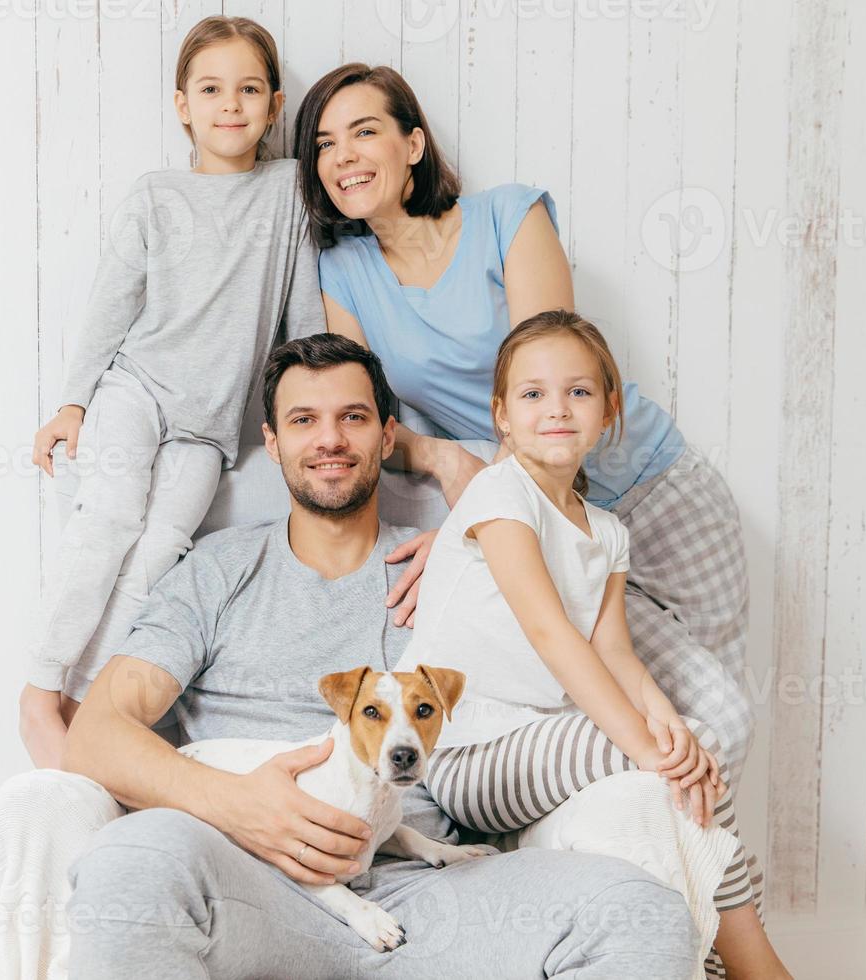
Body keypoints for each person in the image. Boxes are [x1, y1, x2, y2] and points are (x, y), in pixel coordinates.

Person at [50, 334, 700, 978]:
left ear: (388, 438)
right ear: (273, 443)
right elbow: (95, 737)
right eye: (304, 420)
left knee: (639, 913)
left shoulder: (458, 561)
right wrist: (237, 805)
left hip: (429, 888)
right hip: (250, 880)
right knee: (130, 859)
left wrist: (454, 522)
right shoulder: (216, 573)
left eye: (353, 417)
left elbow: (565, 623)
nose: (329, 439)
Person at [290, 62, 760, 920]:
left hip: (648, 490)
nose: (342, 156)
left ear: (414, 141)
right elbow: (371, 419)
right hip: (549, 520)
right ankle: (650, 917)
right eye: (323, 143)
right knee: (688, 725)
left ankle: (700, 930)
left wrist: (486, 510)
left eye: (363, 130)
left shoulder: (511, 215)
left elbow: (548, 373)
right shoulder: (346, 271)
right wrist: (451, 477)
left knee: (708, 723)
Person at [395, 310, 791, 978]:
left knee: (693, 753)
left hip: (538, 738)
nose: (556, 409)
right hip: (467, 752)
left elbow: (615, 652)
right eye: (533, 394)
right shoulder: (500, 496)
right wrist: (647, 747)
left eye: (578, 392)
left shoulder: (606, 530)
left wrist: (667, 725)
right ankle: (760, 968)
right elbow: (550, 634)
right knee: (677, 764)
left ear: (609, 411)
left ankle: (716, 967)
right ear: (501, 416)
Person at [18, 16, 326, 769]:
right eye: (211, 89)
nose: (231, 104)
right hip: (137, 389)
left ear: (275, 104)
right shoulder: (156, 195)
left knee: (161, 552)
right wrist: (73, 403)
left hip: (209, 424)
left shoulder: (288, 194)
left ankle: (87, 703)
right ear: (183, 105)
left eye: (249, 89)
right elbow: (112, 303)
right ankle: (38, 688)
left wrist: (306, 411)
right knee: (110, 521)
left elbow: (303, 311)